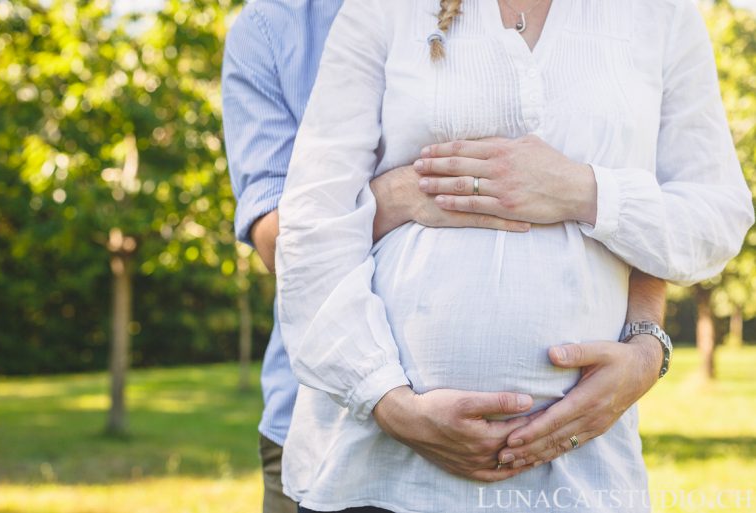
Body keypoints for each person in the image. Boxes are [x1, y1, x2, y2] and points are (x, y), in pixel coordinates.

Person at [273, 0, 754, 512]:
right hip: (374, 473)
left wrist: (584, 192)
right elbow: (311, 227)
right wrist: (386, 400)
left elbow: (716, 217)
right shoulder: (385, 9)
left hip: (577, 481)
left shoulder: (660, 15)